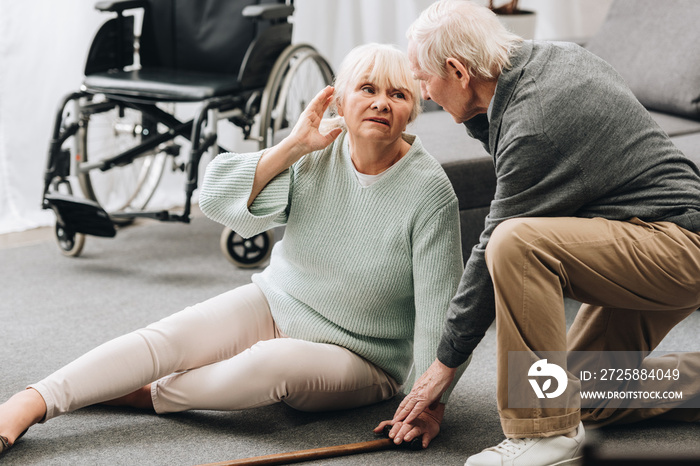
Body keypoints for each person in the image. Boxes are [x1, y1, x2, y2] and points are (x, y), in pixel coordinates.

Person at [0, 43, 467, 456]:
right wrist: (293, 146)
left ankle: (143, 393)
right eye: (367, 89)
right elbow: (217, 199)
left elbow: (440, 311)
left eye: (398, 95)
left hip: (363, 355)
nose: (381, 103)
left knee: (271, 363)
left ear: (412, 111)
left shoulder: (429, 192)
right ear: (338, 100)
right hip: (279, 300)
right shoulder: (316, 153)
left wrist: (430, 404)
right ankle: (28, 403)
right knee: (171, 337)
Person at [379, 1, 700, 465]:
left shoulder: (537, 123)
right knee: (573, 390)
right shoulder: (547, 60)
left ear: (457, 69)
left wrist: (443, 368)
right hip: (640, 234)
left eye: (423, 77)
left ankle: (545, 435)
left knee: (515, 242)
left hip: (678, 245)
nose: (424, 93)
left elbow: (493, 245)